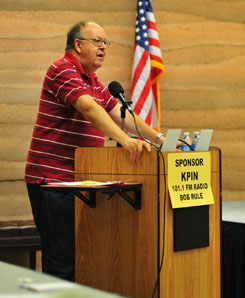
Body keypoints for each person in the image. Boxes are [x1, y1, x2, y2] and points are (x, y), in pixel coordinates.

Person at [24, 21, 166, 281]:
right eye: (97, 41)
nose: (103, 47)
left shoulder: (93, 81)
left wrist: (160, 140)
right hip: (54, 182)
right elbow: (89, 109)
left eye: (105, 43)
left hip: (82, 181)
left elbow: (122, 115)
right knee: (62, 263)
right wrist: (125, 140)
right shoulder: (62, 69)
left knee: (84, 260)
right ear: (77, 45)